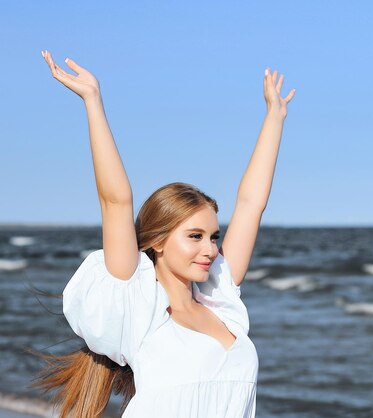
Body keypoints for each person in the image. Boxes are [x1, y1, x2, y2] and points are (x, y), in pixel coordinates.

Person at [32, 50, 295, 417]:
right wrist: (93, 100)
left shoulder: (222, 303)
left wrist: (275, 118)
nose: (210, 249)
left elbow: (251, 203)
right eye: (195, 236)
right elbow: (116, 201)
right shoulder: (139, 309)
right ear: (157, 242)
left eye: (214, 236)